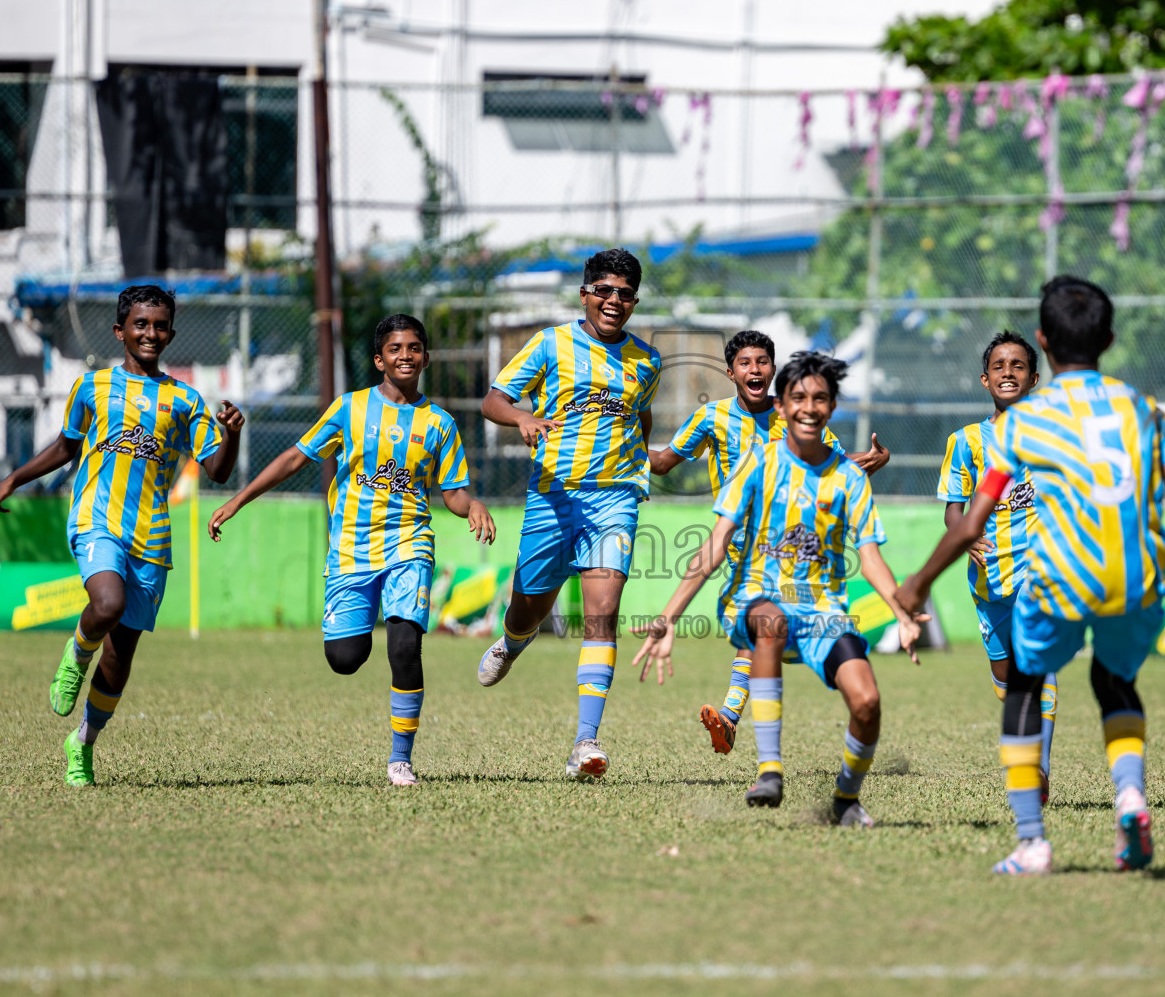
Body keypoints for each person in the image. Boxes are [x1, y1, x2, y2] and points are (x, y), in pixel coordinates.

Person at [895, 277, 1165, 875]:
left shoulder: (1021, 425)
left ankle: (1033, 841)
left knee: (1023, 688)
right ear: (1110, 339)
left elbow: (968, 524)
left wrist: (917, 584)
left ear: (1043, 343)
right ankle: (1131, 798)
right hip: (1136, 575)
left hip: (1059, 574)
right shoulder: (1139, 408)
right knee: (1114, 685)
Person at [634, 351, 924, 827]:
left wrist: (902, 612)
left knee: (867, 703)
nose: (809, 407)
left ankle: (846, 800)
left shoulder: (848, 477)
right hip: (754, 598)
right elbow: (713, 546)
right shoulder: (757, 465)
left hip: (824, 611)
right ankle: (770, 772)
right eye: (798, 398)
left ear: (831, 409)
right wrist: (668, 616)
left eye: (820, 398)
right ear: (783, 406)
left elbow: (870, 557)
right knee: (769, 621)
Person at [207, 313, 495, 786]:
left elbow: (453, 493)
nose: (406, 355)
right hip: (350, 551)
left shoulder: (439, 423)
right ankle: (355, 643)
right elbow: (296, 458)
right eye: (396, 348)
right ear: (380, 359)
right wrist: (238, 499)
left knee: (405, 646)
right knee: (345, 658)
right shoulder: (350, 409)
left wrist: (474, 506)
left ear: (426, 356)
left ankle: (400, 759)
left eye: (415, 347)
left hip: (409, 544)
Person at [0, 284, 243, 786]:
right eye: (140, 324)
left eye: (160, 325)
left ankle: (83, 743)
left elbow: (218, 471)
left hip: (152, 536)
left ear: (171, 333)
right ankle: (75, 656)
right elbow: (65, 447)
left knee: (121, 656)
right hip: (97, 519)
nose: (150, 333)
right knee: (106, 604)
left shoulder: (184, 400)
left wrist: (233, 434)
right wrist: (11, 480)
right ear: (121, 331)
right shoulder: (92, 387)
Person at [647, 329, 890, 756]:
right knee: (761, 630)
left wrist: (866, 462)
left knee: (765, 635)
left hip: (795, 550)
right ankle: (746, 736)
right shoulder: (712, 419)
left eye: (762, 361)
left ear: (772, 370)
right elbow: (664, 463)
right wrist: (621, 442)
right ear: (730, 372)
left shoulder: (796, 412)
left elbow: (828, 466)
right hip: (741, 545)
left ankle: (740, 726)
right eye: (745, 363)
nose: (754, 369)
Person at [476, 248, 662, 782]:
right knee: (527, 611)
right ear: (585, 293)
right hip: (553, 498)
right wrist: (523, 417)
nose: (614, 301)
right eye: (604, 290)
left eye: (625, 293)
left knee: (602, 614)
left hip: (615, 499)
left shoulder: (646, 360)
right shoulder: (551, 344)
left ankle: (586, 742)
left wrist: (638, 465)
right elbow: (493, 401)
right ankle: (512, 642)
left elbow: (641, 416)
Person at [936, 330, 1056, 798]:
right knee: (1006, 676)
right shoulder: (966, 441)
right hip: (989, 579)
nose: (1009, 373)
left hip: (1040, 571)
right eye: (1000, 367)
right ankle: (1026, 749)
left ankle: (1038, 767)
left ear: (1034, 378)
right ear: (985, 380)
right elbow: (953, 506)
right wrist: (964, 535)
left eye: (1018, 366)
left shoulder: (1050, 437)